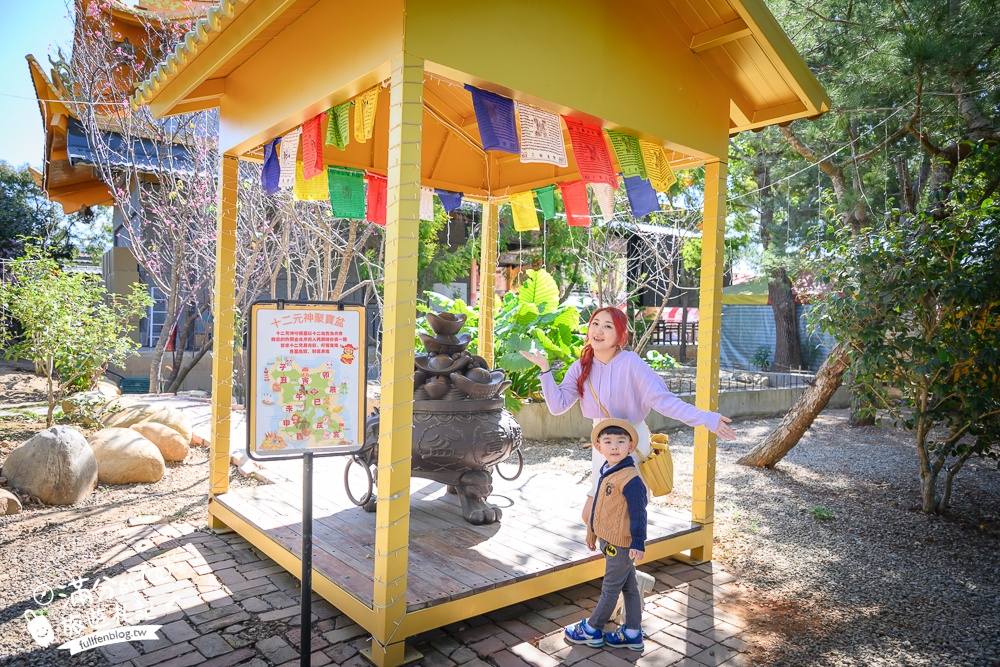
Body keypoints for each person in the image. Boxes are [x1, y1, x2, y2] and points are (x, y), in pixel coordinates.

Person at [520, 306, 737, 522]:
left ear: (620, 335)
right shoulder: (581, 366)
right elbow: (558, 406)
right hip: (603, 444)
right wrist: (545, 370)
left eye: (607, 326)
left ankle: (627, 553)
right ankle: (617, 553)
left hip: (631, 442)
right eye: (595, 324)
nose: (598, 330)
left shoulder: (631, 363)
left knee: (625, 514)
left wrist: (707, 418)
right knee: (592, 517)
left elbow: (664, 401)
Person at [564, 418, 647, 651]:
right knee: (629, 587)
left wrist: (638, 542)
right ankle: (632, 632)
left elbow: (638, 513)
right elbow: (599, 506)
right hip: (608, 540)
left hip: (621, 545)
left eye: (620, 442)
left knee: (610, 587)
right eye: (608, 442)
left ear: (630, 447)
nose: (614, 446)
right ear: (599, 447)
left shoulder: (631, 479)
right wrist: (591, 533)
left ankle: (592, 629)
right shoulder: (607, 471)